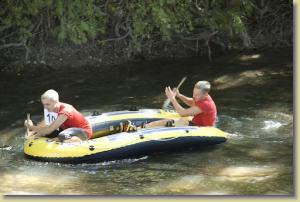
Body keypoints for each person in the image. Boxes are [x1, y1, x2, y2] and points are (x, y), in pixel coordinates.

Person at [122, 80, 217, 131]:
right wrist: (179, 95)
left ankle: (138, 129)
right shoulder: (202, 98)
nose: (194, 96)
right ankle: (141, 128)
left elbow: (182, 113)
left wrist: (172, 98)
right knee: (168, 122)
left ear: (205, 94)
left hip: (201, 129)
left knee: (166, 122)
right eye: (194, 93)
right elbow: (191, 102)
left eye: (197, 95)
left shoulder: (206, 104)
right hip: (195, 124)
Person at [24, 89, 92, 143]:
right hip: (67, 129)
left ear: (56, 102)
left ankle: (76, 141)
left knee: (61, 135)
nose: (45, 107)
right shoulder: (51, 108)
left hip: (83, 132)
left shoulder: (65, 111)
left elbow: (48, 130)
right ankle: (57, 140)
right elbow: (45, 123)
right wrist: (32, 133)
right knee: (46, 132)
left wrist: (31, 127)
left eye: (47, 104)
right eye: (43, 104)